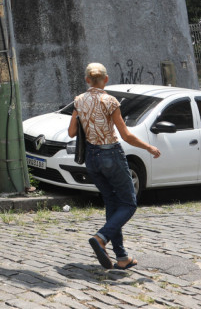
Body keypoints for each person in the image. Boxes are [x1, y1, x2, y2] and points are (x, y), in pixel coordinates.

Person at [67, 62, 161, 270]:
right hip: (110, 154)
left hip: (91, 158)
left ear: (87, 80)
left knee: (112, 203)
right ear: (106, 79)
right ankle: (101, 238)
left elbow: (72, 133)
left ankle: (121, 257)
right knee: (129, 204)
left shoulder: (78, 101)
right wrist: (149, 147)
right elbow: (126, 135)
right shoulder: (110, 101)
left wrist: (79, 113)